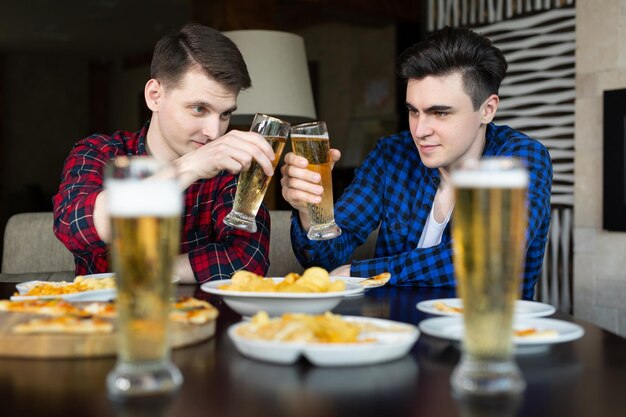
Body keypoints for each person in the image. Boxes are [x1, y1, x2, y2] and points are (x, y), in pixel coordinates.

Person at [280, 26, 552, 299]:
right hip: (391, 331)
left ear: (487, 110)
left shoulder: (521, 158)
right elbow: (325, 260)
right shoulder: (392, 155)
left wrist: (361, 273)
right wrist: (310, 211)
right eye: (413, 111)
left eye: (440, 113)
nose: (420, 130)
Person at [53, 23, 277, 283]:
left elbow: (249, 261)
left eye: (225, 113)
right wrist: (188, 167)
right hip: (105, 318)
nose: (214, 132)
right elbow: (73, 226)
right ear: (155, 96)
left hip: (207, 318)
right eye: (199, 109)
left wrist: (152, 270)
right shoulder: (99, 152)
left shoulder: (231, 168)